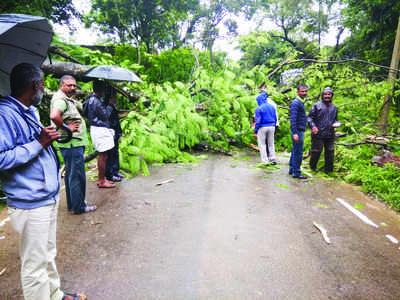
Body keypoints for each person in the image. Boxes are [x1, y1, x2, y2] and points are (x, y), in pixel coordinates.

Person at [0, 63, 86, 300]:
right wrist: (39, 143)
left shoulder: (27, 110)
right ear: (34, 86)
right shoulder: (4, 114)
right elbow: (1, 158)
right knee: (35, 265)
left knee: (48, 253)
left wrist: (48, 137)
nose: (45, 88)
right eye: (42, 84)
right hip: (30, 201)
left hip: (46, 195)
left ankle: (55, 294)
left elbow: (37, 143)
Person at [50, 75, 96, 214]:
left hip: (71, 144)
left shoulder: (66, 98)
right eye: (69, 85)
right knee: (77, 175)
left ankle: (74, 204)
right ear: (61, 86)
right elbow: (54, 116)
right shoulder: (60, 99)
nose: (72, 87)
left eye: (74, 85)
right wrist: (67, 128)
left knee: (72, 174)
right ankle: (79, 207)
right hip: (72, 144)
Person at [85, 80, 115, 188]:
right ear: (100, 89)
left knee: (104, 155)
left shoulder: (91, 99)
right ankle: (101, 181)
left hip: (97, 128)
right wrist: (110, 104)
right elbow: (105, 115)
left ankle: (102, 179)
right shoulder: (95, 101)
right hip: (99, 129)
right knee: (103, 155)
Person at [307, 87, 339, 173]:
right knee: (316, 151)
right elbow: (310, 118)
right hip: (318, 133)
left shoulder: (334, 107)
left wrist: (336, 124)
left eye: (329, 94)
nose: (327, 96)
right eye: (325, 94)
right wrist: (313, 126)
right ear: (322, 95)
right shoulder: (316, 105)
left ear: (331, 95)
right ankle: (313, 167)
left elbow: (335, 119)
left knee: (330, 152)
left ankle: (328, 170)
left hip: (330, 134)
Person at [105, 87, 124, 182]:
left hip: (115, 132)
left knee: (115, 152)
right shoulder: (107, 106)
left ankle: (116, 171)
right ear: (111, 96)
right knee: (110, 154)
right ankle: (110, 174)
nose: (117, 96)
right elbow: (106, 119)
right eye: (116, 94)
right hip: (110, 133)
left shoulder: (113, 105)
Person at [289, 84, 308, 179]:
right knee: (298, 152)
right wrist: (295, 133)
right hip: (298, 131)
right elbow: (293, 119)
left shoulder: (301, 102)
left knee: (295, 150)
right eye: (302, 91)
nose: (304, 93)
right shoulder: (296, 103)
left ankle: (292, 169)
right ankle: (296, 172)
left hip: (299, 130)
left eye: (305, 91)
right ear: (298, 92)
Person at [254, 90, 278, 164]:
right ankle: (273, 158)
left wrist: (255, 131)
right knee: (271, 143)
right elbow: (275, 118)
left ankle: (265, 161)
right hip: (272, 127)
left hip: (262, 127)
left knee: (262, 144)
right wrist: (273, 124)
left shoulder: (259, 108)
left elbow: (258, 121)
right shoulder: (272, 107)